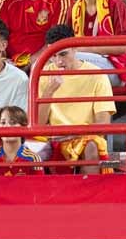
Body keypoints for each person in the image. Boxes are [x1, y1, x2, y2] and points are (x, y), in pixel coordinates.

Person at [37, 24, 114, 174]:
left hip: (85, 137)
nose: (58, 61)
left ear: (75, 48)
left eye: (63, 54)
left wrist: (74, 133)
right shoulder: (44, 74)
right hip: (53, 137)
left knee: (92, 145)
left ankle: (90, 196)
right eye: (53, 55)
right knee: (29, 151)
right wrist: (49, 92)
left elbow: (103, 125)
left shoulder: (97, 74)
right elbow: (38, 123)